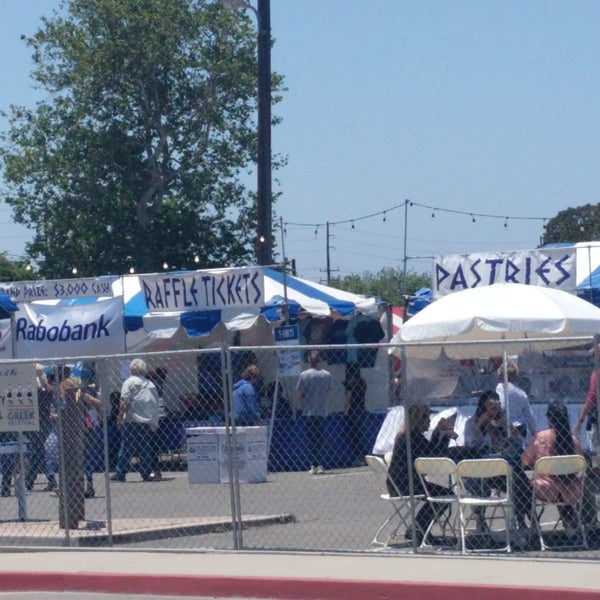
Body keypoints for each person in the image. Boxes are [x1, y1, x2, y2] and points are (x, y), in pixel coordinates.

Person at [386, 402, 460, 544]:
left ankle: (418, 528)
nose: (430, 421)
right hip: (405, 484)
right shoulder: (412, 438)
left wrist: (439, 432)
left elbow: (430, 451)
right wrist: (443, 435)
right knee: (444, 495)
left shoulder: (410, 436)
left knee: (440, 493)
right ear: (419, 420)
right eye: (427, 419)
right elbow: (434, 456)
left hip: (400, 482)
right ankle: (419, 529)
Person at [463, 390, 531, 529]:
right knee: (479, 488)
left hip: (500, 470)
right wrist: (480, 423)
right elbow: (471, 444)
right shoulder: (471, 423)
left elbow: (521, 443)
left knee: (520, 483)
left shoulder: (502, 422)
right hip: (480, 470)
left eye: (496, 406)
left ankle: (522, 520)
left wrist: (509, 428)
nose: (493, 411)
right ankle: (480, 520)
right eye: (490, 407)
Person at [522, 400, 585, 532]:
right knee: (562, 480)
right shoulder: (573, 439)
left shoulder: (540, 437)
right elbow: (580, 462)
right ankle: (569, 523)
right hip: (573, 490)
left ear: (549, 418)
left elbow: (525, 461)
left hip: (546, 489)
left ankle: (533, 523)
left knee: (524, 483)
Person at [111, 358, 160, 482]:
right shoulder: (150, 384)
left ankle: (120, 473)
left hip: (132, 420)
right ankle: (146, 473)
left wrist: (120, 417)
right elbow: (154, 403)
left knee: (126, 448)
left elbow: (124, 402)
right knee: (145, 449)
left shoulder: (129, 382)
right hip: (146, 421)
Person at [296, 350, 332, 475]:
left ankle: (313, 464)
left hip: (308, 411)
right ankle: (320, 463)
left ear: (308, 361)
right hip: (321, 410)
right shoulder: (327, 375)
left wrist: (303, 404)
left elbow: (300, 394)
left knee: (311, 439)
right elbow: (327, 392)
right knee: (320, 438)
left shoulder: (304, 375)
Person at [495, 362, 537, 442]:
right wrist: (534, 431)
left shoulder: (499, 389)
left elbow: (501, 406)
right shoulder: (521, 393)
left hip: (503, 427)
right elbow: (529, 415)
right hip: (520, 427)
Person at [343, 362, 367, 467]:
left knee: (353, 435)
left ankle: (360, 456)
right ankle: (362, 456)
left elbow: (348, 398)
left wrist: (345, 412)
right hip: (361, 408)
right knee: (358, 434)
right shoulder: (362, 382)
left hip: (353, 410)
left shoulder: (350, 383)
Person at [575, 353, 599, 454]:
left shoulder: (596, 373)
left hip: (596, 415)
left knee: (596, 449)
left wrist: (580, 421)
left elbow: (591, 398)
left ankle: (597, 466)